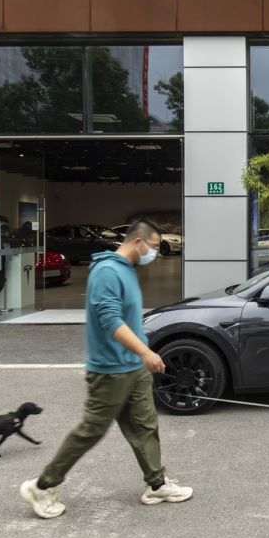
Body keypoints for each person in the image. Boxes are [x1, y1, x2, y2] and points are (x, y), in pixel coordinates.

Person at [20, 218, 192, 518]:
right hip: (110, 370)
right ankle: (41, 485)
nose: (155, 253)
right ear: (137, 242)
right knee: (91, 430)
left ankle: (157, 483)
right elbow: (110, 320)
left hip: (131, 367)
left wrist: (140, 355)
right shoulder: (107, 272)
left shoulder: (125, 270)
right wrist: (146, 352)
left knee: (145, 426)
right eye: (152, 247)